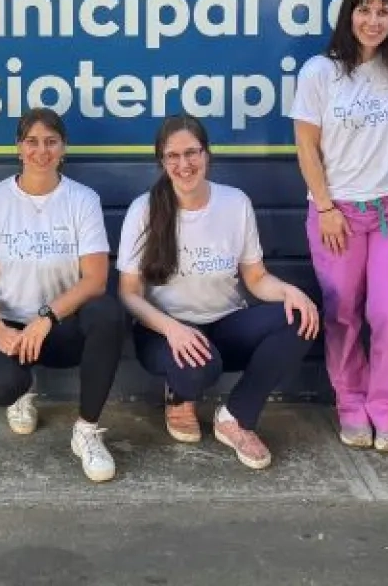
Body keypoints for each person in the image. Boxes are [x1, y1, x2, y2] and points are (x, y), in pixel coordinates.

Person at [119, 114, 321, 471]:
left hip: (225, 324)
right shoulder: (144, 210)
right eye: (173, 156)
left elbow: (256, 278)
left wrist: (290, 291)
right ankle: (179, 395)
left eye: (192, 153)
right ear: (161, 162)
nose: (184, 165)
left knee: (300, 316)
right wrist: (171, 329)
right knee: (201, 367)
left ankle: (237, 416)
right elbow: (129, 293)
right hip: (165, 331)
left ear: (207, 154)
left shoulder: (234, 203)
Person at [289, 0, 388, 453]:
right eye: (364, 10)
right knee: (343, 312)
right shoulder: (320, 72)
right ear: (349, 15)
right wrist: (324, 206)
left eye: (383, 11)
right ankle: (351, 403)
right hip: (336, 212)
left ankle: (387, 409)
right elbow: (306, 144)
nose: (374, 20)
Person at [0, 108, 121, 482]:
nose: (41, 150)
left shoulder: (82, 200)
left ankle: (86, 431)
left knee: (108, 314)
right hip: (11, 326)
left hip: (60, 324)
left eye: (51, 142)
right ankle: (22, 392)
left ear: (63, 148)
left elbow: (96, 279)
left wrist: (47, 317)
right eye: (32, 142)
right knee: (3, 386)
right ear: (18, 147)